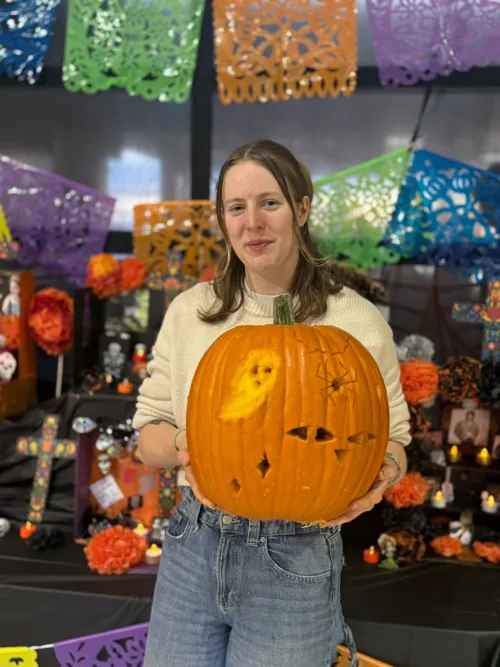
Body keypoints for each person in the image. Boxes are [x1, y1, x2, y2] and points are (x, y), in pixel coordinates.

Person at [133, 139, 410, 667]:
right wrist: (192, 447)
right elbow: (148, 437)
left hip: (297, 554)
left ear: (301, 209)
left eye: (270, 203)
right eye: (237, 208)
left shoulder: (355, 320)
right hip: (195, 543)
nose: (253, 222)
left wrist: (384, 474)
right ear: (223, 220)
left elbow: (394, 434)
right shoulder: (192, 312)